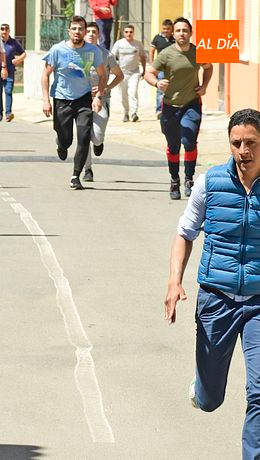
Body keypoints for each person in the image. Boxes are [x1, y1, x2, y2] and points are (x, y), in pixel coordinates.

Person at [164, 108, 260, 460]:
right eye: (236, 143)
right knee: (209, 399)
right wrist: (174, 282)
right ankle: (202, 391)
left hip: (258, 303)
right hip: (216, 300)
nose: (243, 151)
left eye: (251, 143)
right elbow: (184, 233)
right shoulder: (210, 183)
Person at [145, 17, 213, 200]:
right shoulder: (166, 54)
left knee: (189, 139)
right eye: (178, 31)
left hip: (191, 103)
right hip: (170, 106)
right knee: (173, 145)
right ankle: (174, 179)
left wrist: (204, 85)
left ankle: (189, 179)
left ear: (190, 33)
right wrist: (157, 83)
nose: (182, 34)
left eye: (185, 30)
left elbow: (208, 67)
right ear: (173, 34)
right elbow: (149, 73)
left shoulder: (198, 52)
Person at [41, 15, 106, 190]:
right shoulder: (57, 50)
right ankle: (61, 144)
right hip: (62, 99)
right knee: (66, 139)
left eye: (81, 29)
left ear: (85, 31)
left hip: (84, 99)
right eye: (74, 28)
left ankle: (76, 175)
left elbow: (102, 75)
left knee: (84, 137)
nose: (78, 32)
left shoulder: (93, 51)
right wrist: (46, 100)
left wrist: (98, 95)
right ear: (69, 31)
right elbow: (46, 75)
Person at [82, 21, 123, 182]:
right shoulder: (77, 53)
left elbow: (119, 75)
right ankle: (87, 169)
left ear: (99, 35)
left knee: (96, 137)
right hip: (82, 100)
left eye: (94, 31)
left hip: (101, 100)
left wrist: (106, 88)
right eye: (89, 31)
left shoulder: (106, 55)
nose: (91, 34)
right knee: (83, 136)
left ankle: (99, 143)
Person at [111, 24, 147, 122]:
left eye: (131, 32)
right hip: (122, 73)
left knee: (133, 92)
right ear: (124, 33)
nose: (129, 34)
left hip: (134, 72)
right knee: (123, 95)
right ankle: (126, 113)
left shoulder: (138, 44)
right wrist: (113, 69)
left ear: (133, 33)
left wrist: (144, 70)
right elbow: (112, 57)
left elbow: (143, 57)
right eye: (126, 32)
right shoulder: (119, 44)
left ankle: (134, 113)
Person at [0, 23, 26, 122]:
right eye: (2, 29)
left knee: (8, 91)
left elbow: (23, 53)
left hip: (10, 71)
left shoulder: (14, 43)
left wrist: (18, 60)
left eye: (6, 29)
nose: (4, 31)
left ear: (9, 31)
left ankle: (8, 113)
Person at [151, 19, 175, 119]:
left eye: (168, 29)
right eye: (164, 28)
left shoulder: (175, 39)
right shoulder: (157, 38)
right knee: (161, 89)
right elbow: (152, 51)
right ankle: (159, 110)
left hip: (173, 69)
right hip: (161, 68)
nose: (166, 31)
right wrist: (153, 65)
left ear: (171, 29)